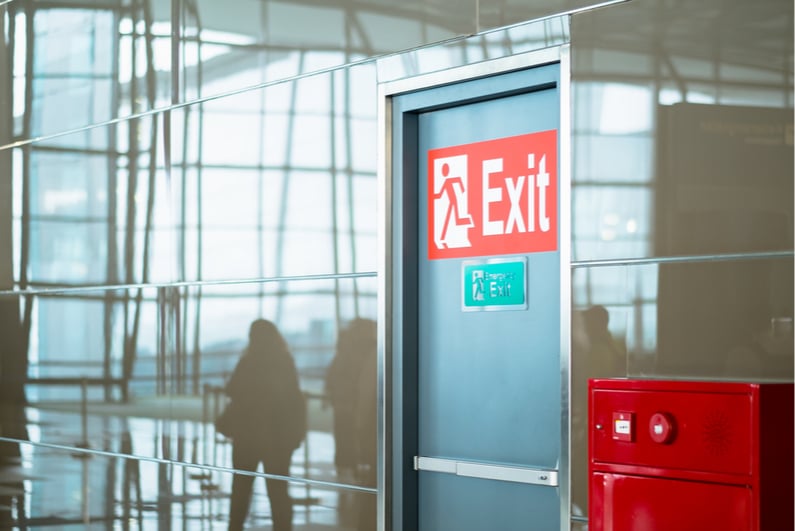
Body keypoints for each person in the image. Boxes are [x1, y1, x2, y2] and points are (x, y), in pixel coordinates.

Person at [224, 319, 306, 531]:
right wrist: (296, 433)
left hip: (247, 437)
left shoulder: (248, 361)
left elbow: (232, 389)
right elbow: (294, 400)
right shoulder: (284, 361)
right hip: (277, 438)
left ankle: (235, 527)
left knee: (241, 490)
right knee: (278, 491)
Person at [324, 318, 376, 528]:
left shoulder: (346, 350)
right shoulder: (371, 350)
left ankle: (353, 470)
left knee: (347, 440)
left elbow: (334, 374)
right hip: (359, 409)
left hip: (348, 406)